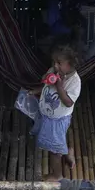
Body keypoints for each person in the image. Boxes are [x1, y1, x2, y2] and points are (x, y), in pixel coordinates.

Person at [31, 43, 81, 181]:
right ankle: (68, 152)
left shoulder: (74, 82)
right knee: (56, 142)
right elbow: (46, 85)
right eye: (54, 62)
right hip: (47, 115)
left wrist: (59, 86)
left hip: (57, 121)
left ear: (70, 65)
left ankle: (56, 175)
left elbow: (68, 102)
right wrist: (37, 90)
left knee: (54, 150)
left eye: (59, 63)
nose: (55, 65)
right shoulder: (54, 71)